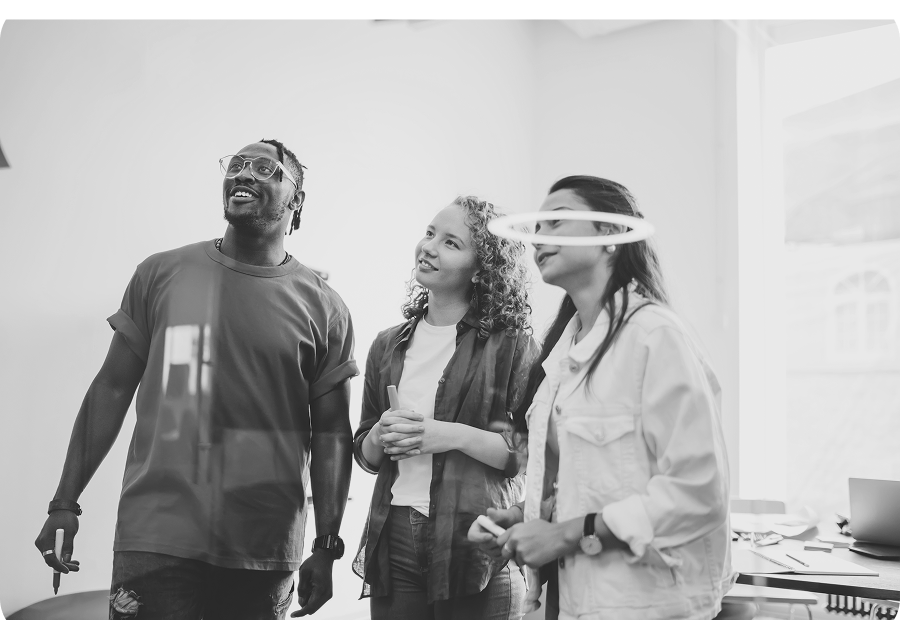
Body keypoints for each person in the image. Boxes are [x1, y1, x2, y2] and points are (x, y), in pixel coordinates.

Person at [34, 139, 358, 620]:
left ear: (297, 199)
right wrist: (65, 501)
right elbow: (111, 388)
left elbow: (331, 430)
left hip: (263, 548)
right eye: (236, 165)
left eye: (264, 168)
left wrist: (327, 544)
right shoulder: (161, 273)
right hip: (156, 536)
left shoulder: (325, 307)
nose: (243, 174)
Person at [472, 175, 734, 619]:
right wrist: (526, 516)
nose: (539, 238)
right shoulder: (563, 355)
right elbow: (591, 481)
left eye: (557, 221)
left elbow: (699, 491)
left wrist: (563, 534)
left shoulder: (654, 336)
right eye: (537, 227)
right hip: (579, 598)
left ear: (611, 233)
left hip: (648, 604)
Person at [352, 196, 539, 619]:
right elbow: (365, 453)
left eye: (451, 243)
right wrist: (379, 434)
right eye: (430, 233)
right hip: (394, 535)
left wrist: (446, 435)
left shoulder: (512, 346)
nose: (429, 247)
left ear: (481, 269)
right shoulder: (386, 345)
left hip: (476, 541)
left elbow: (525, 455)